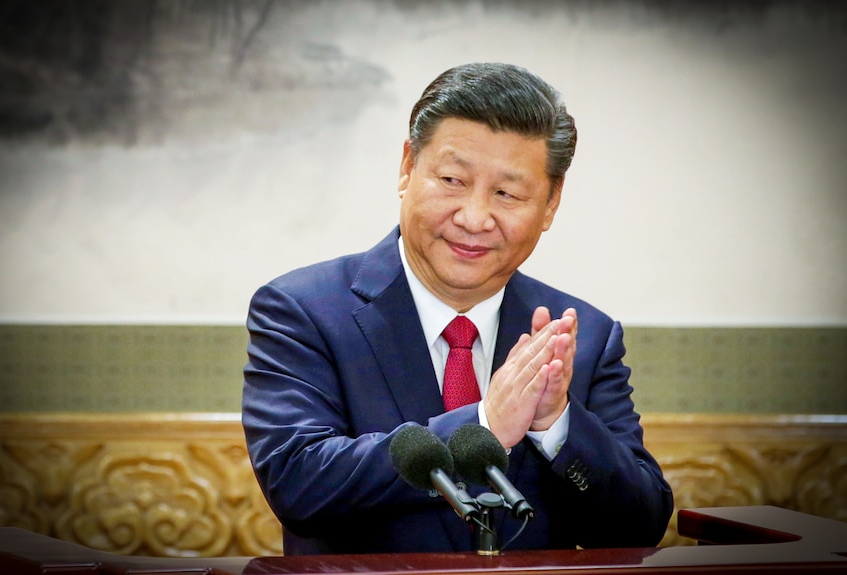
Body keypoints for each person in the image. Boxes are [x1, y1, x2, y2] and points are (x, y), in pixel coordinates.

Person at [242, 62, 673, 556]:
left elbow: (641, 526)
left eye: (507, 194)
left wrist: (557, 423)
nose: (473, 218)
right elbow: (299, 485)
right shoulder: (303, 310)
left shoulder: (582, 336)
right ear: (408, 167)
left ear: (551, 204)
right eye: (451, 179)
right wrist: (485, 425)